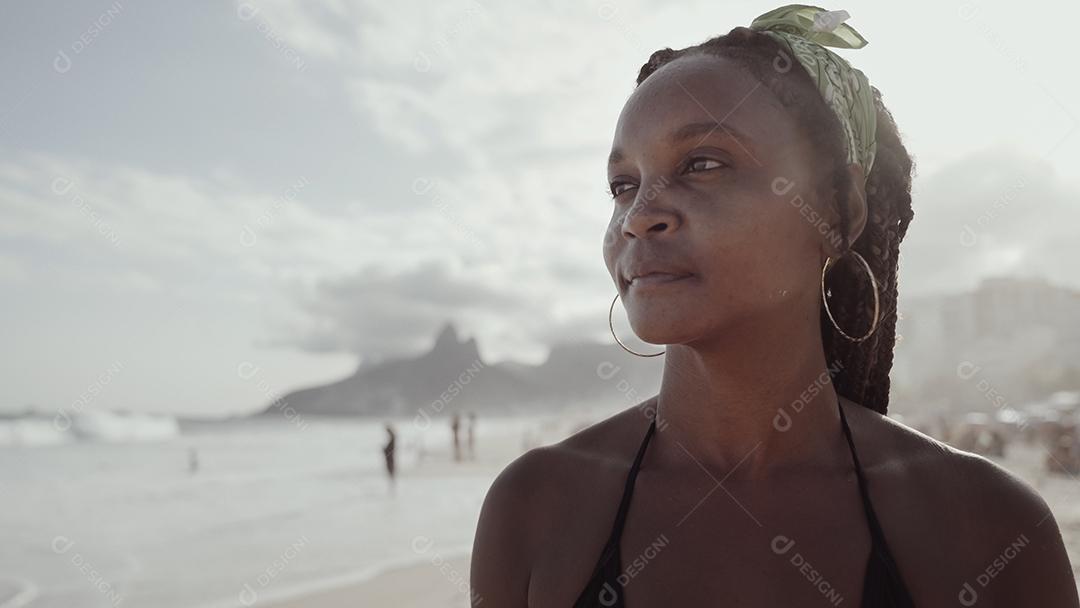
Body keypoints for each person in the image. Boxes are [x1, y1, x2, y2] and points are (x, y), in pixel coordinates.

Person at [470, 6, 1079, 607]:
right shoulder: (535, 509)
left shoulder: (992, 529)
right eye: (623, 185)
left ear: (838, 212)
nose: (637, 215)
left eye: (703, 164)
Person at [382, 424, 396, 493]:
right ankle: (391, 487)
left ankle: (392, 488)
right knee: (390, 473)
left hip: (390, 459)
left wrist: (384, 449)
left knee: (391, 473)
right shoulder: (392, 438)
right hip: (389, 458)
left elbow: (389, 450)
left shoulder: (392, 438)